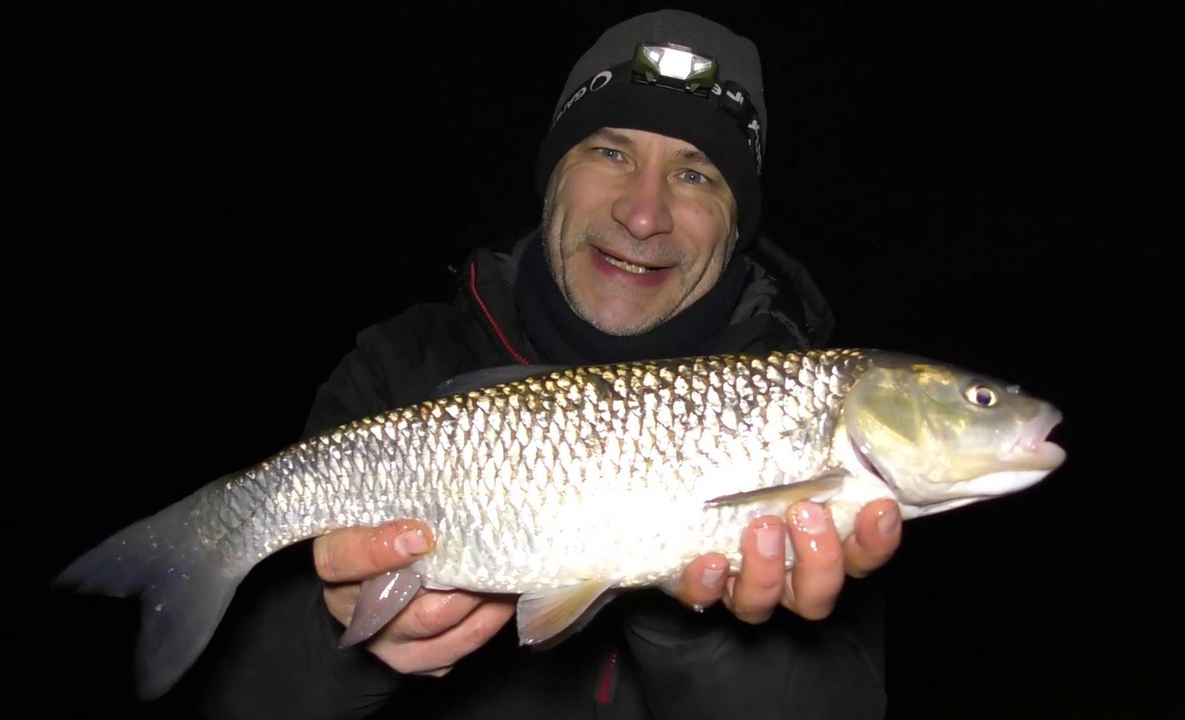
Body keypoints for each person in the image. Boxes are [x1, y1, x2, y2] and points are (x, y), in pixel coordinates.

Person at [166, 9, 902, 719]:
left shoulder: (802, 418)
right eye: (610, 153)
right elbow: (242, 701)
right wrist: (343, 639)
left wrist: (688, 609)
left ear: (736, 226)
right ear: (552, 176)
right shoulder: (399, 366)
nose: (643, 213)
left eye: (696, 174)